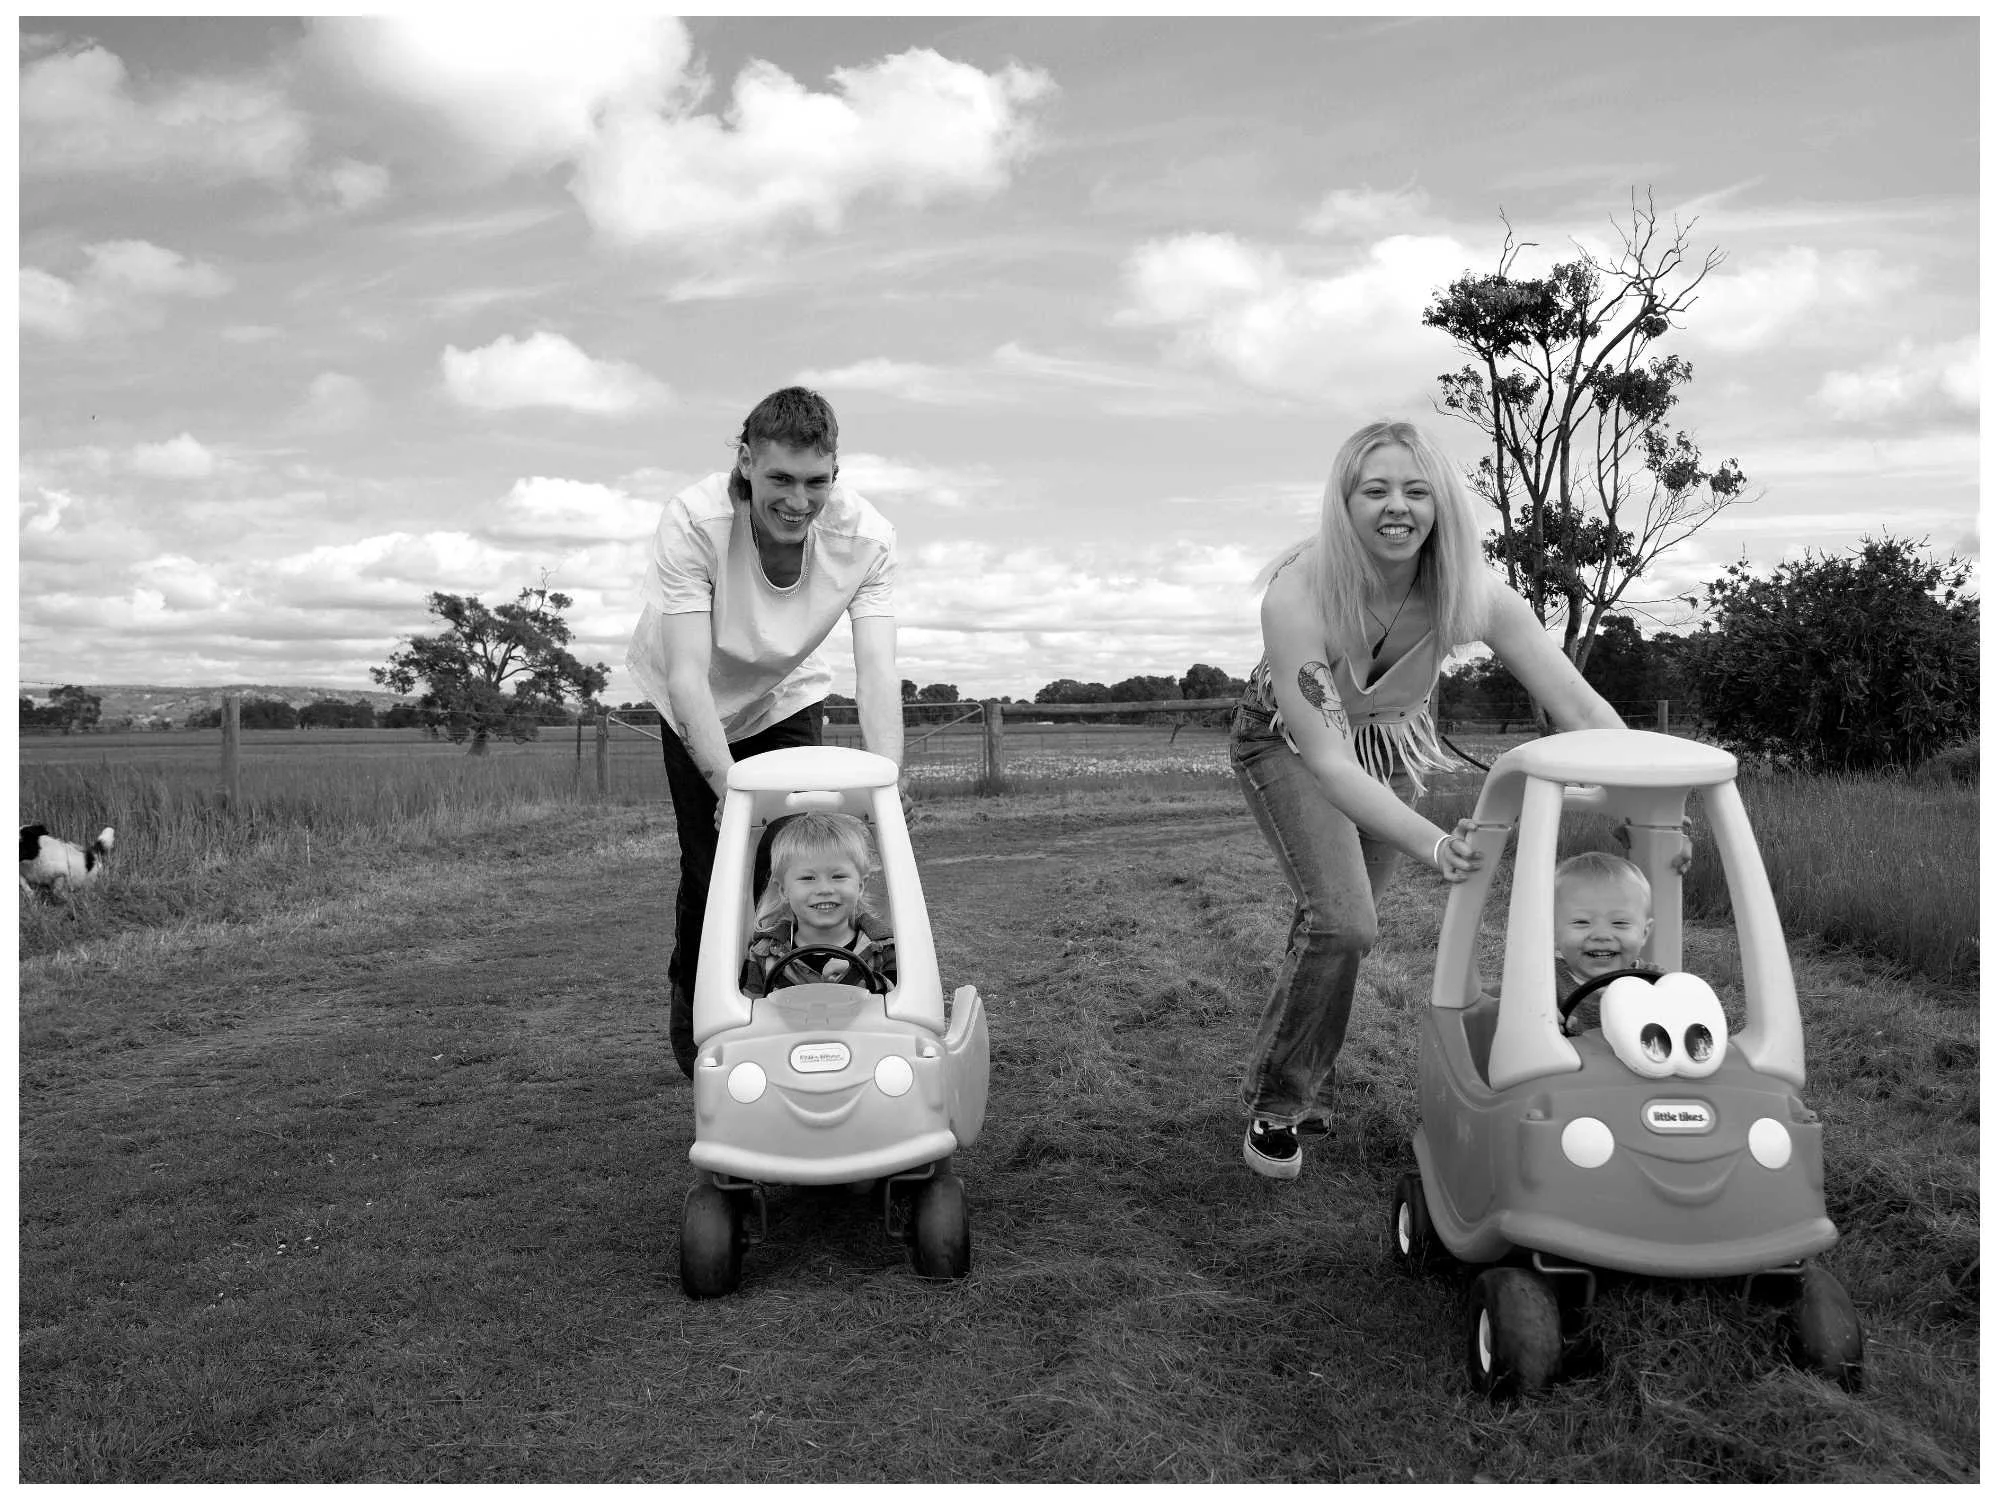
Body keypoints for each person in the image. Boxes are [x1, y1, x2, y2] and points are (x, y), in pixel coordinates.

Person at [1229, 417, 1691, 1181]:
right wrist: (1436, 845)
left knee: (1336, 923)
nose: (1396, 507)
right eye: (1374, 490)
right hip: (1291, 741)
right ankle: (1279, 1105)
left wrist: (1657, 807)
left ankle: (1305, 1063)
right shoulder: (1298, 595)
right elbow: (1331, 766)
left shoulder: (1475, 596)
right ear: (1343, 504)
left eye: (1416, 490)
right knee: (1344, 920)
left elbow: (1582, 710)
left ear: (1441, 503)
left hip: (1385, 742)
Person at [626, 387, 903, 1076]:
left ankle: (801, 1014)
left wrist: (886, 782)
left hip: (783, 698)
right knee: (716, 867)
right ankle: (703, 1026)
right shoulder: (694, 521)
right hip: (694, 700)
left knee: (796, 857)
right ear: (747, 462)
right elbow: (690, 677)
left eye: (816, 482)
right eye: (780, 478)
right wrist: (726, 786)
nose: (797, 500)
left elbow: (876, 672)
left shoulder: (866, 539)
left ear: (835, 474)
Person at [740, 811, 898, 998]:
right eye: (808, 878)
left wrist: (862, 979)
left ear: (860, 886)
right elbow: (748, 1010)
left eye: (838, 876)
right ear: (783, 891)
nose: (824, 889)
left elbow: (904, 1001)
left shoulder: (883, 949)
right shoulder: (763, 954)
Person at [1553, 851, 1655, 990]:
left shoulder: (1655, 981)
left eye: (1619, 923)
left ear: (1644, 933)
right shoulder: (1545, 982)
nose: (1602, 935)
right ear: (1553, 932)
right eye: (1582, 922)